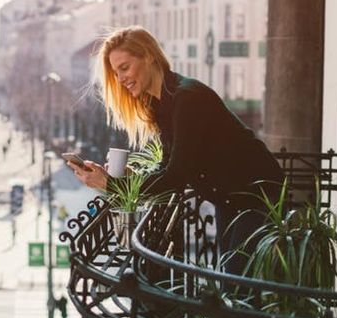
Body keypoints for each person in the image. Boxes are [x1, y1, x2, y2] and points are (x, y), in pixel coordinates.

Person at [68, 26, 282, 274]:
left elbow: (176, 177)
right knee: (233, 287)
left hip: (257, 196)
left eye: (124, 68)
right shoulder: (163, 103)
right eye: (116, 73)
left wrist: (110, 185)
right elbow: (169, 164)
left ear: (149, 55)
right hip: (232, 200)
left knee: (236, 288)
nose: (121, 79)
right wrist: (130, 177)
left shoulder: (186, 98)